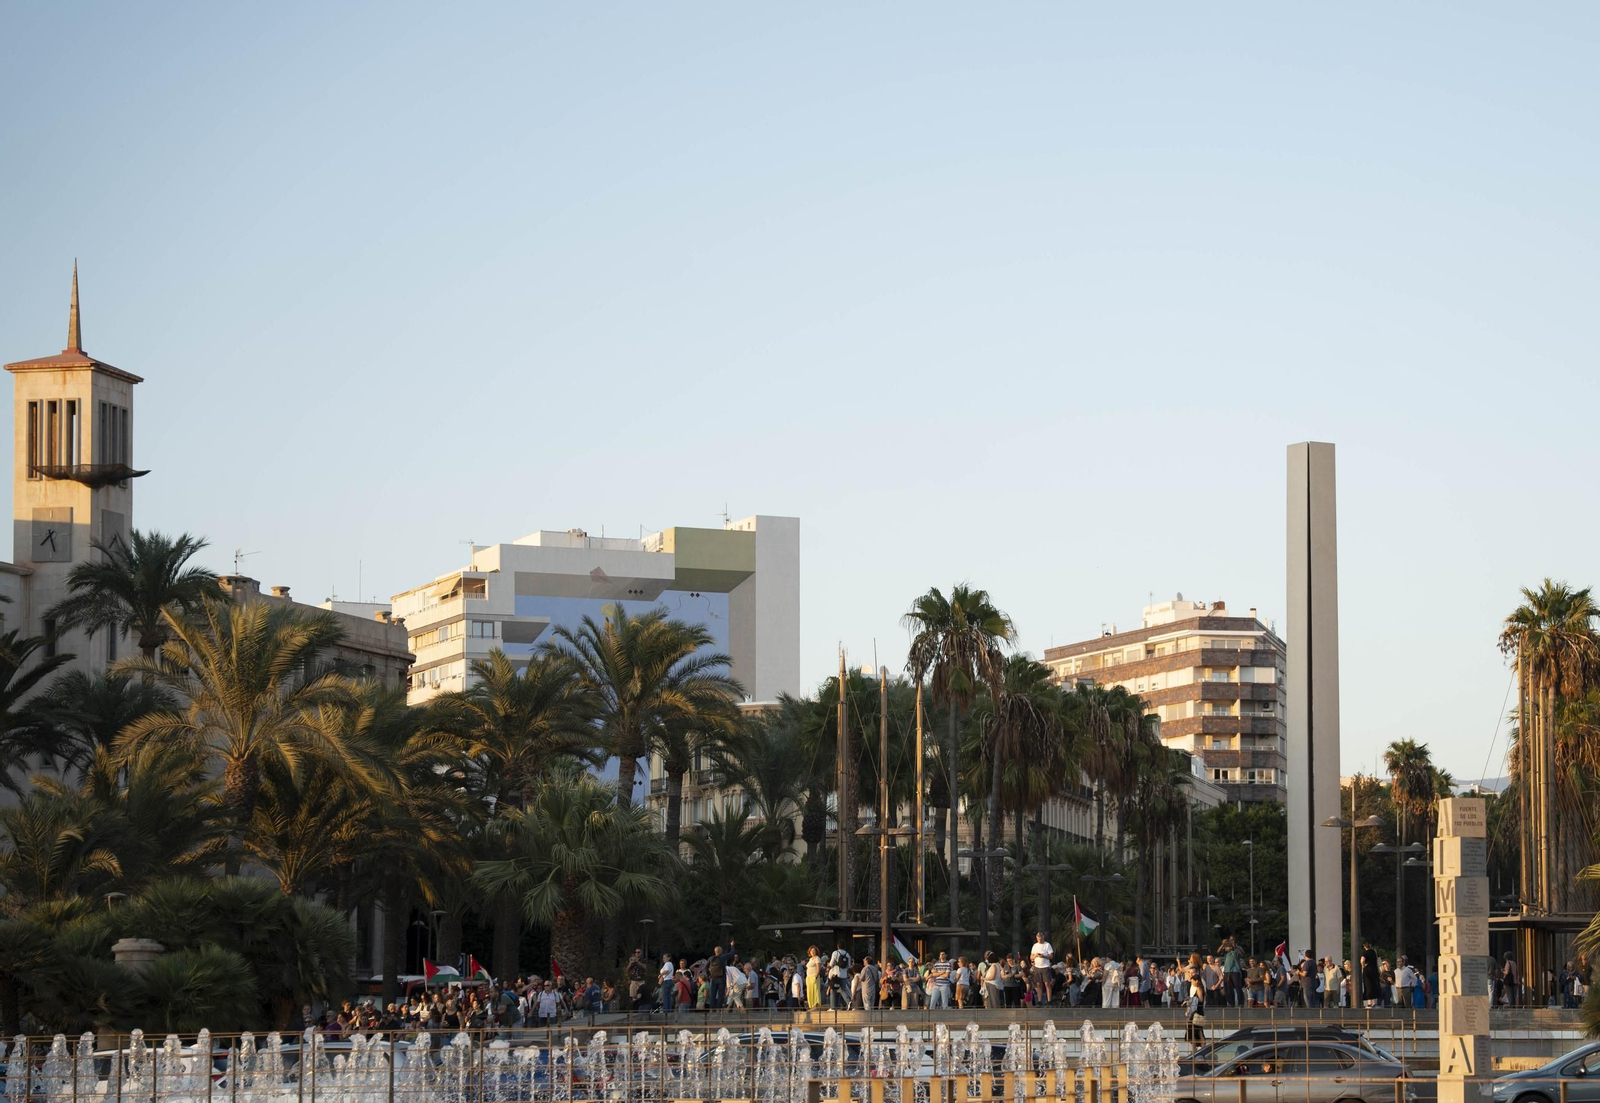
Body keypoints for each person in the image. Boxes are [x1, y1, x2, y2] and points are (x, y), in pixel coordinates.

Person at [1029, 931, 1055, 1004]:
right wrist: (1036, 956)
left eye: (1040, 937)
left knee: (1047, 983)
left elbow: (1051, 956)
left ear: (1043, 937)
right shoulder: (1035, 946)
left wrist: (1043, 956)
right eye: (1038, 937)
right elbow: (1031, 957)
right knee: (1038, 984)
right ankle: (1039, 1000)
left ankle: (1049, 1000)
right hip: (1037, 966)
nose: (1039, 939)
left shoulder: (1047, 945)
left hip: (1045, 966)